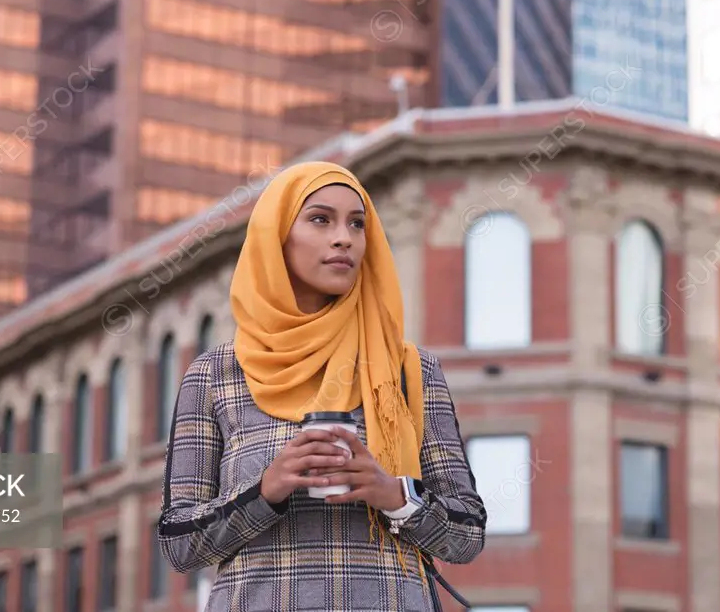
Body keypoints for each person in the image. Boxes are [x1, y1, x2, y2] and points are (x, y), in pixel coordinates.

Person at [158, 161, 486, 611]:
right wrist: (267, 487)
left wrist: (393, 493)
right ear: (277, 237)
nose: (344, 238)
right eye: (319, 219)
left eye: (357, 223)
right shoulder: (215, 374)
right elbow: (180, 546)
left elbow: (466, 536)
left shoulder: (411, 370)